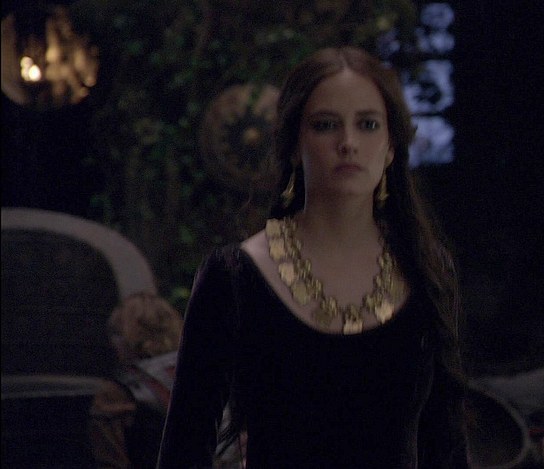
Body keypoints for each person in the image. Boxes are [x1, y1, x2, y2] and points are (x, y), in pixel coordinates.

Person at [157, 46, 468, 468]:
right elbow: (183, 451)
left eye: (368, 124)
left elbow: (445, 444)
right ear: (293, 144)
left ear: (391, 146)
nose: (348, 143)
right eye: (325, 125)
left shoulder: (424, 267)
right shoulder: (234, 277)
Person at [88, 291, 183, 468]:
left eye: (116, 334)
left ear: (124, 337)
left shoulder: (117, 394)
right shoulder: (208, 372)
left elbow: (111, 461)